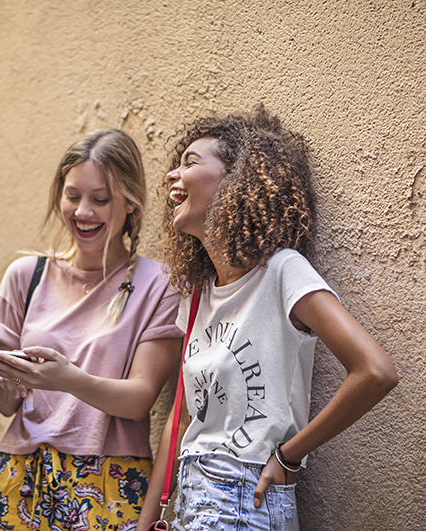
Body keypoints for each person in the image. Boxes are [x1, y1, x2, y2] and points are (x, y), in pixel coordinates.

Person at [137, 106, 399, 531]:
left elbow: (375, 371)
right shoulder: (198, 295)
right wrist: (147, 523)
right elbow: (183, 419)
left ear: (234, 181)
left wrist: (288, 454)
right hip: (190, 497)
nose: (171, 176)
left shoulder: (282, 271)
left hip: (245, 498)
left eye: (190, 162)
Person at [0, 129, 183, 531]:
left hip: (111, 485)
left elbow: (140, 400)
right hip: (23, 477)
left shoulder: (159, 283)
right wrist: (10, 381)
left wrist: (67, 380)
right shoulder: (26, 276)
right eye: (72, 196)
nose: (83, 212)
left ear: (130, 202)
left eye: (100, 199)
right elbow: (4, 405)